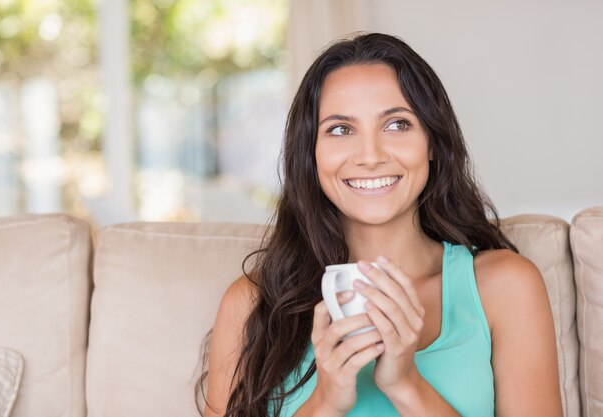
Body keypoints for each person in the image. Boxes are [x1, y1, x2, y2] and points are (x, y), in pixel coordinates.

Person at [198, 32, 562, 417]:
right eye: (341, 129)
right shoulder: (251, 304)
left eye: (397, 125)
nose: (370, 156)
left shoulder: (505, 287)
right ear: (311, 153)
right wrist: (325, 401)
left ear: (433, 142)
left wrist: (407, 384)